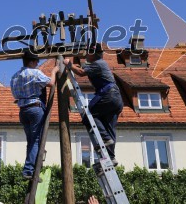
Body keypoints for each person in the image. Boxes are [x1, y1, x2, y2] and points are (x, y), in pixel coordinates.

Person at [63, 43, 123, 166]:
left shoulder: (98, 64)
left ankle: (105, 139)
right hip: (116, 99)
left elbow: (80, 72)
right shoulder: (100, 64)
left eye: (86, 53)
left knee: (88, 115)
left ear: (92, 53)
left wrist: (69, 64)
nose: (85, 56)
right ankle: (111, 158)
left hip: (108, 95)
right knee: (109, 127)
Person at [10, 50, 59, 179]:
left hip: (23, 111)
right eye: (36, 61)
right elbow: (51, 83)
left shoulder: (15, 76)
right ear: (31, 61)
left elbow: (15, 95)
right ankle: (29, 170)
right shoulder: (34, 73)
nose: (38, 63)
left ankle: (30, 168)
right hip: (35, 108)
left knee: (31, 141)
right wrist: (54, 72)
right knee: (36, 140)